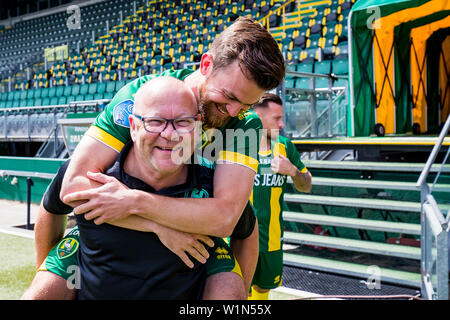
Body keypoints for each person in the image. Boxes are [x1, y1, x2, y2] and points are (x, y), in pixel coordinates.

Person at [41, 16, 285, 293]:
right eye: (228, 96)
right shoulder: (141, 98)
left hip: (192, 252)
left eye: (246, 104)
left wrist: (135, 202)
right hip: (112, 240)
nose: (232, 112)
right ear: (206, 65)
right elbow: (74, 187)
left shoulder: (245, 125)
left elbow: (226, 218)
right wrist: (160, 228)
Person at [22, 76, 247, 300]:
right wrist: (45, 271)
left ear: (197, 127)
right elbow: (52, 206)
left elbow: (246, 229)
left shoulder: (212, 185)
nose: (169, 134)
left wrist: (238, 285)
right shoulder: (91, 174)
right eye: (155, 121)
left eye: (183, 122)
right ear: (133, 126)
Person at [248, 93, 312, 300]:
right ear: (257, 117)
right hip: (236, 239)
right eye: (276, 118)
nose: (282, 124)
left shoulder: (285, 146)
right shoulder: (232, 145)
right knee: (235, 289)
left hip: (272, 240)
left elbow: (306, 185)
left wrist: (293, 171)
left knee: (262, 289)